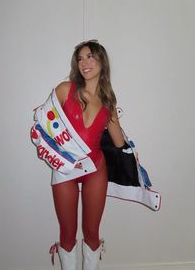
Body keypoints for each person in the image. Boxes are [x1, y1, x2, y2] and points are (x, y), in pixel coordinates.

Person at [50, 40, 125, 270]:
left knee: (92, 233)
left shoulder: (108, 101)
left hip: (95, 169)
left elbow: (119, 141)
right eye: (80, 58)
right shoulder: (65, 90)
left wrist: (111, 114)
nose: (84, 62)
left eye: (90, 56)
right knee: (68, 234)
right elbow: (46, 127)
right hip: (65, 169)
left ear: (101, 61)